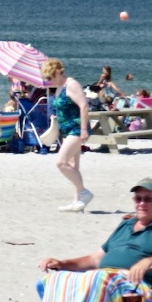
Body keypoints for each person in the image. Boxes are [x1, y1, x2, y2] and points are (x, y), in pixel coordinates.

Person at [41, 57, 92, 212]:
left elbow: (83, 106)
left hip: (77, 129)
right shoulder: (59, 87)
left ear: (57, 72)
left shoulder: (71, 84)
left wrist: (83, 129)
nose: (49, 81)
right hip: (67, 129)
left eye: (50, 77)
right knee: (73, 166)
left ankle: (84, 192)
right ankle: (78, 203)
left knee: (60, 162)